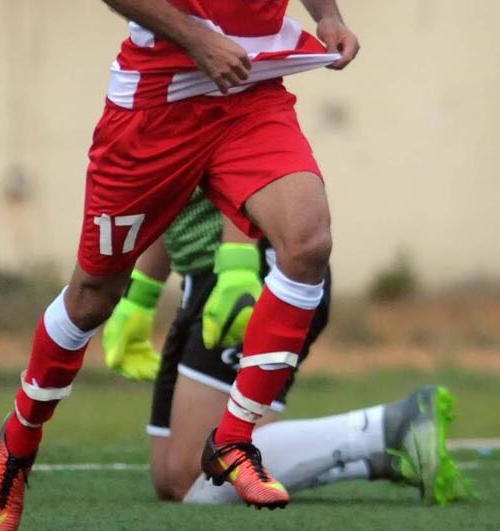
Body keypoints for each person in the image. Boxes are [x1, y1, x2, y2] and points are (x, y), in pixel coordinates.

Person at [0, 0, 361, 531]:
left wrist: (326, 15)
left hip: (250, 95)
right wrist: (197, 37)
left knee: (308, 242)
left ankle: (235, 440)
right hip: (157, 101)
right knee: (95, 293)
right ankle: (17, 442)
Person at [103, 190, 472, 505]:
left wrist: (238, 269)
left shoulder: (196, 105)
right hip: (204, 276)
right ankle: (376, 455)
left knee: (194, 471)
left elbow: (234, 167)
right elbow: (169, 191)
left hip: (251, 271)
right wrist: (141, 295)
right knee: (170, 476)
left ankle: (389, 427)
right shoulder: (149, 109)